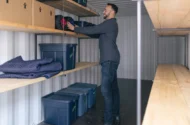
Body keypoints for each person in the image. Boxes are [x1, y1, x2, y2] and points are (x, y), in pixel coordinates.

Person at [67, 3, 120, 125]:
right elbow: (95, 33)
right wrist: (80, 29)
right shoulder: (110, 25)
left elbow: (94, 29)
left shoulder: (109, 23)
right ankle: (115, 114)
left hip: (109, 60)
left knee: (106, 91)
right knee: (113, 89)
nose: (104, 12)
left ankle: (108, 121)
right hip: (112, 59)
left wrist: (75, 28)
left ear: (112, 11)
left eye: (106, 10)